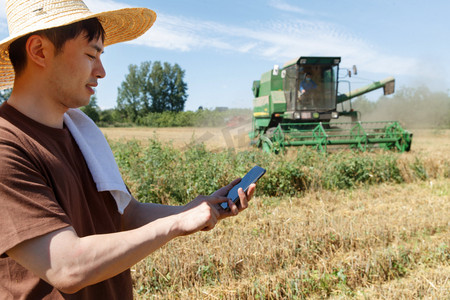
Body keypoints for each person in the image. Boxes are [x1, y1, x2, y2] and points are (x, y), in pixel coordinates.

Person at [0, 0, 256, 299]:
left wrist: (195, 210)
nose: (102, 71)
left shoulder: (80, 132)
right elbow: (66, 267)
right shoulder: (7, 147)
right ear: (39, 51)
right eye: (90, 54)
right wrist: (175, 224)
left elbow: (124, 215)